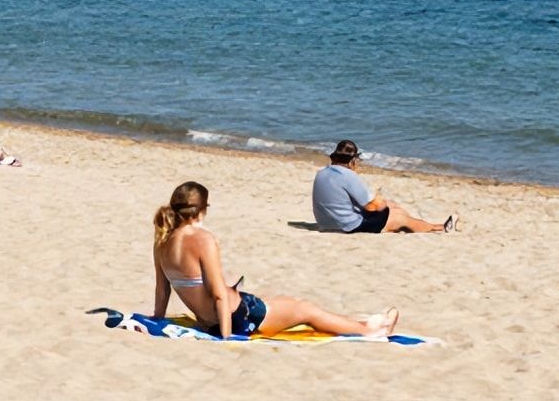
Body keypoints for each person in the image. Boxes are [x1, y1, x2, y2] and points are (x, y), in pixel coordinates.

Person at [152, 180, 397, 339]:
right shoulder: (203, 239)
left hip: (213, 320)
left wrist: (158, 319)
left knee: (287, 303)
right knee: (305, 309)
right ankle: (369, 330)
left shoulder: (162, 240)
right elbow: (218, 295)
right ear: (202, 209)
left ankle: (362, 322)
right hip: (240, 317)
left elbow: (163, 289)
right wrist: (226, 338)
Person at [313, 140, 455, 234]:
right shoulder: (349, 176)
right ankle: (439, 227)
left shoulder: (322, 173)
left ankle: (415, 223)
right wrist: (381, 201)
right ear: (352, 161)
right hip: (347, 226)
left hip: (325, 223)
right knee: (396, 215)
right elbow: (373, 207)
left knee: (391, 207)